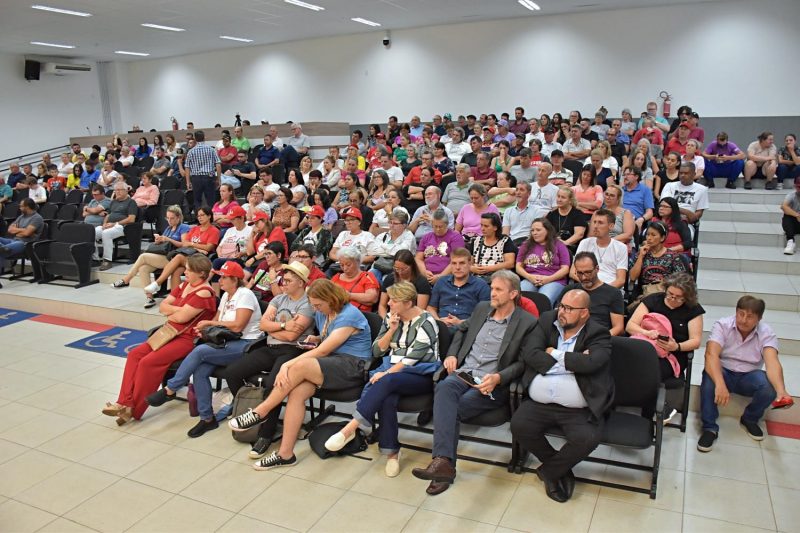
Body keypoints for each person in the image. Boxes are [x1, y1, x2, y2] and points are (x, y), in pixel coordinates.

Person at [411, 271, 536, 495]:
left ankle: (443, 466)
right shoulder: (482, 308)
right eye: (492, 288)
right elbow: (461, 329)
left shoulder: (527, 322)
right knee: (444, 387)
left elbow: (524, 362)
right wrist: (453, 355)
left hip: (491, 381)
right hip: (465, 372)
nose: (492, 293)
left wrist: (499, 377)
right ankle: (443, 463)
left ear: (513, 294)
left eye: (498, 290)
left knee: (451, 409)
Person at [228, 280, 373, 470]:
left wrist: (287, 365)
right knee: (296, 393)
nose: (315, 309)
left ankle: (261, 412)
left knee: (298, 366)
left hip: (352, 366)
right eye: (313, 305)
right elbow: (328, 340)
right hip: (331, 362)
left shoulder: (350, 315)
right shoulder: (324, 312)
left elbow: (323, 351)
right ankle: (285, 454)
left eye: (318, 305)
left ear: (331, 299)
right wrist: (317, 338)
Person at [325, 282, 439, 476]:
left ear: (408, 303)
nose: (389, 303)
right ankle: (392, 453)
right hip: (392, 372)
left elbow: (411, 360)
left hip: (420, 374)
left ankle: (350, 428)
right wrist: (391, 330)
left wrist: (386, 374)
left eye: (394, 300)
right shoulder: (391, 317)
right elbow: (377, 350)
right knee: (386, 397)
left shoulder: (427, 322)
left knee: (386, 381)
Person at [511, 288, 613, 502]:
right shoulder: (547, 320)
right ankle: (559, 469)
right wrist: (573, 362)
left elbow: (593, 363)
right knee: (519, 426)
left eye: (569, 308)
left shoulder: (598, 332)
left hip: (578, 408)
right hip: (539, 402)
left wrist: (554, 353)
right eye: (561, 306)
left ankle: (549, 472)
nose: (562, 312)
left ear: (584, 313)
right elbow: (530, 353)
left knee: (587, 439)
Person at [145, 261, 263, 437]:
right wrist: (205, 328)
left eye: (223, 277)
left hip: (247, 343)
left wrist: (210, 323)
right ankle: (207, 419)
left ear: (234, 279)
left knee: (200, 352)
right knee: (200, 371)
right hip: (227, 340)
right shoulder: (226, 295)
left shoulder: (245, 294)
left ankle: (171, 389)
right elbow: (217, 319)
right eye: (219, 276)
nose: (219, 280)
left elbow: (238, 326)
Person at [102, 255, 217, 424]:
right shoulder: (185, 285)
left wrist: (173, 311)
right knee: (134, 355)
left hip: (186, 338)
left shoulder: (204, 292)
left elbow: (181, 318)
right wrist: (177, 310)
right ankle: (123, 402)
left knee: (147, 362)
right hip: (168, 331)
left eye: (189, 270)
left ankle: (134, 410)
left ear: (201, 273)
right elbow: (162, 307)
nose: (185, 272)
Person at [219, 261, 315, 457]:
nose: (283, 284)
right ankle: (254, 413)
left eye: (288, 281)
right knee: (232, 372)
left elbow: (292, 337)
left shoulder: (308, 304)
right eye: (282, 280)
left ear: (301, 283)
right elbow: (263, 325)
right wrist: (283, 326)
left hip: (293, 351)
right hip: (270, 347)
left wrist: (274, 329)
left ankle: (266, 434)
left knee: (274, 385)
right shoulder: (278, 299)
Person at [698, 295, 791, 452]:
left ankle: (750, 419)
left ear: (759, 318)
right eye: (740, 314)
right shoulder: (723, 325)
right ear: (736, 312)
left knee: (769, 387)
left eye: (750, 316)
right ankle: (709, 428)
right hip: (724, 370)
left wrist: (781, 391)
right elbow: (711, 355)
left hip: (749, 375)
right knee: (709, 377)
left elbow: (772, 362)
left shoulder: (766, 332)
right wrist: (720, 384)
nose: (743, 320)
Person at [626, 273, 704, 418]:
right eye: (670, 294)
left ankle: (647, 415)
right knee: (627, 363)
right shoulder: (652, 300)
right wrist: (646, 332)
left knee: (649, 370)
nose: (673, 299)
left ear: (687, 297)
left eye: (678, 297)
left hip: (672, 355)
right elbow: (630, 326)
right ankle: (659, 408)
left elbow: (696, 341)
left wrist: (677, 346)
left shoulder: (693, 309)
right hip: (645, 347)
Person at [143, 207, 220, 307]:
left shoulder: (214, 230)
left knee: (179, 257)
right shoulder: (195, 229)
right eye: (198, 216)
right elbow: (184, 243)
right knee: (176, 271)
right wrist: (197, 246)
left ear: (209, 216)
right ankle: (176, 299)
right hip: (190, 256)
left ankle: (157, 283)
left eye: (202, 215)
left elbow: (209, 247)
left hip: (202, 259)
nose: (200, 217)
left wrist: (192, 244)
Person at [111, 205, 191, 297]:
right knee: (143, 268)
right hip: (163, 255)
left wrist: (168, 239)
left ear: (178, 217)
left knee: (143, 256)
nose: (169, 220)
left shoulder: (184, 227)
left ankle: (126, 280)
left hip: (173, 258)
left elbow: (184, 244)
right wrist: (158, 240)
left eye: (172, 218)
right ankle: (149, 297)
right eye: (167, 218)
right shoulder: (168, 228)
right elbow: (164, 244)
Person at [560, 252, 624, 336]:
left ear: (597, 269)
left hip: (597, 336)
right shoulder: (569, 290)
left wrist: (600, 338)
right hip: (569, 336)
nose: (584, 277)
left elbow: (618, 328)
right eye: (580, 273)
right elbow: (559, 316)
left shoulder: (613, 293)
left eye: (588, 272)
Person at [427, 248, 491, 329]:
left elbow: (486, 314)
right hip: (441, 327)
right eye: (454, 263)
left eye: (462, 263)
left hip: (467, 329)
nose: (457, 267)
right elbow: (431, 308)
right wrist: (439, 321)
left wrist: (461, 323)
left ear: (470, 264)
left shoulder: (481, 285)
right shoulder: (441, 282)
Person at [516, 218, 571, 304]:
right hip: (530, 279)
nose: (534, 233)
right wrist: (529, 277)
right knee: (518, 297)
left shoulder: (559, 245)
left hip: (553, 280)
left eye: (538, 230)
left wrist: (549, 279)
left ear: (548, 230)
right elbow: (518, 266)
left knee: (544, 300)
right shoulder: (526, 245)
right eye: (532, 230)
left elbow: (565, 269)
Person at [629, 221, 687, 297]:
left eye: (653, 235)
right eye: (648, 235)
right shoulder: (641, 253)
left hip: (666, 295)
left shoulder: (673, 256)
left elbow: (681, 281)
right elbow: (632, 277)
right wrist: (641, 256)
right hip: (645, 294)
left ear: (662, 238)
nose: (649, 238)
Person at [573, 209, 627, 288]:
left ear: (611, 226)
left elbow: (621, 280)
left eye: (600, 223)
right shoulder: (585, 243)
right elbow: (572, 272)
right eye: (594, 222)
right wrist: (587, 284)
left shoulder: (621, 247)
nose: (595, 226)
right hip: (586, 285)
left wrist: (600, 289)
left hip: (610, 289)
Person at [93, 182, 138, 271]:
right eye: (116, 190)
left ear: (126, 191)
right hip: (109, 225)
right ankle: (95, 258)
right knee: (92, 232)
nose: (117, 192)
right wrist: (104, 224)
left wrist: (114, 224)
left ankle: (107, 261)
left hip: (122, 227)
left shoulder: (131, 202)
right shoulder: (114, 202)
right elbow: (108, 215)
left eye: (119, 190)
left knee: (106, 233)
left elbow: (131, 219)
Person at [366, 209, 417, 286]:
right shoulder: (383, 235)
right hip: (380, 265)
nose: (391, 225)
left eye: (395, 223)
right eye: (390, 222)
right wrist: (392, 250)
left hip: (399, 269)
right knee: (369, 276)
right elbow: (372, 251)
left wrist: (383, 246)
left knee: (387, 280)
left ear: (404, 225)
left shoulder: (409, 237)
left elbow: (401, 254)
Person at [416, 209, 465, 285]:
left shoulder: (455, 237)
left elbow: (457, 260)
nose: (438, 229)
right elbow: (418, 258)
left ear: (447, 225)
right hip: (426, 276)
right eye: (435, 226)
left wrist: (440, 276)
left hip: (447, 276)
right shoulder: (426, 237)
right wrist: (424, 272)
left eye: (440, 227)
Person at [377, 250, 431, 316]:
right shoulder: (390, 279)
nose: (400, 272)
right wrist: (385, 320)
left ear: (412, 266)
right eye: (396, 268)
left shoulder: (422, 282)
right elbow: (382, 306)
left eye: (404, 269)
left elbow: (420, 311)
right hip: (391, 316)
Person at [0, 198, 44, 277]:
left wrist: (17, 230)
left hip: (25, 244)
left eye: (21, 206)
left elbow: (27, 233)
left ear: (27, 207)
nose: (19, 208)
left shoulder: (37, 218)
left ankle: (3, 248)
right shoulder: (21, 216)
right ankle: (3, 248)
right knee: (2, 250)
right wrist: (23, 230)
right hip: (13, 240)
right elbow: (10, 229)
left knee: (1, 252)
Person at [471, 212, 516, 283]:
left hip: (499, 277)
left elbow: (510, 263)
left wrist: (488, 268)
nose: (482, 229)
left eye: (486, 226)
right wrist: (472, 268)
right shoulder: (475, 241)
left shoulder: (505, 241)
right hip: (477, 278)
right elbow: (469, 263)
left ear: (495, 227)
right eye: (481, 225)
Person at [327, 207, 374, 274]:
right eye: (346, 220)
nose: (348, 223)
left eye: (351, 220)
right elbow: (332, 254)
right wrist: (344, 260)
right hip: (339, 266)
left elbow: (372, 257)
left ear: (359, 222)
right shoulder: (342, 234)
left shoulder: (367, 236)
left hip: (357, 267)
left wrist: (353, 260)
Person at [332, 247, 380, 312]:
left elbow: (372, 298)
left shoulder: (367, 276)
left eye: (348, 265)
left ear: (357, 262)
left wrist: (348, 295)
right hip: (336, 312)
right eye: (341, 265)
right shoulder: (336, 277)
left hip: (359, 314)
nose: (345, 268)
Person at [185, 130, 222, 209]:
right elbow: (218, 164)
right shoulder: (211, 149)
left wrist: (188, 182)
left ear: (195, 139)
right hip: (209, 177)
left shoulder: (191, 151)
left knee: (197, 201)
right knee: (211, 201)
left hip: (196, 178)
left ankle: (198, 216)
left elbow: (187, 167)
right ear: (204, 138)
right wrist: (219, 179)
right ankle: (211, 216)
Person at [546, 186, 586, 253]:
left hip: (571, 248)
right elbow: (545, 231)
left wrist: (565, 243)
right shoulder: (552, 214)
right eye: (558, 196)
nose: (559, 200)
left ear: (570, 200)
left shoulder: (578, 214)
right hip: (553, 246)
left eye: (563, 197)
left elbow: (579, 234)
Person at [621, 166, 654, 232]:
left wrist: (642, 219)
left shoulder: (645, 190)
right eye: (624, 175)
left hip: (635, 220)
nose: (625, 177)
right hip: (619, 219)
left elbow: (650, 212)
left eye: (628, 174)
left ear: (636, 177)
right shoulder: (620, 190)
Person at [781, 176, 800, 255]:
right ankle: (790, 241)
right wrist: (797, 215)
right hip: (795, 224)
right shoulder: (791, 195)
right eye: (799, 187)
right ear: (795, 186)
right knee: (787, 216)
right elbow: (783, 206)